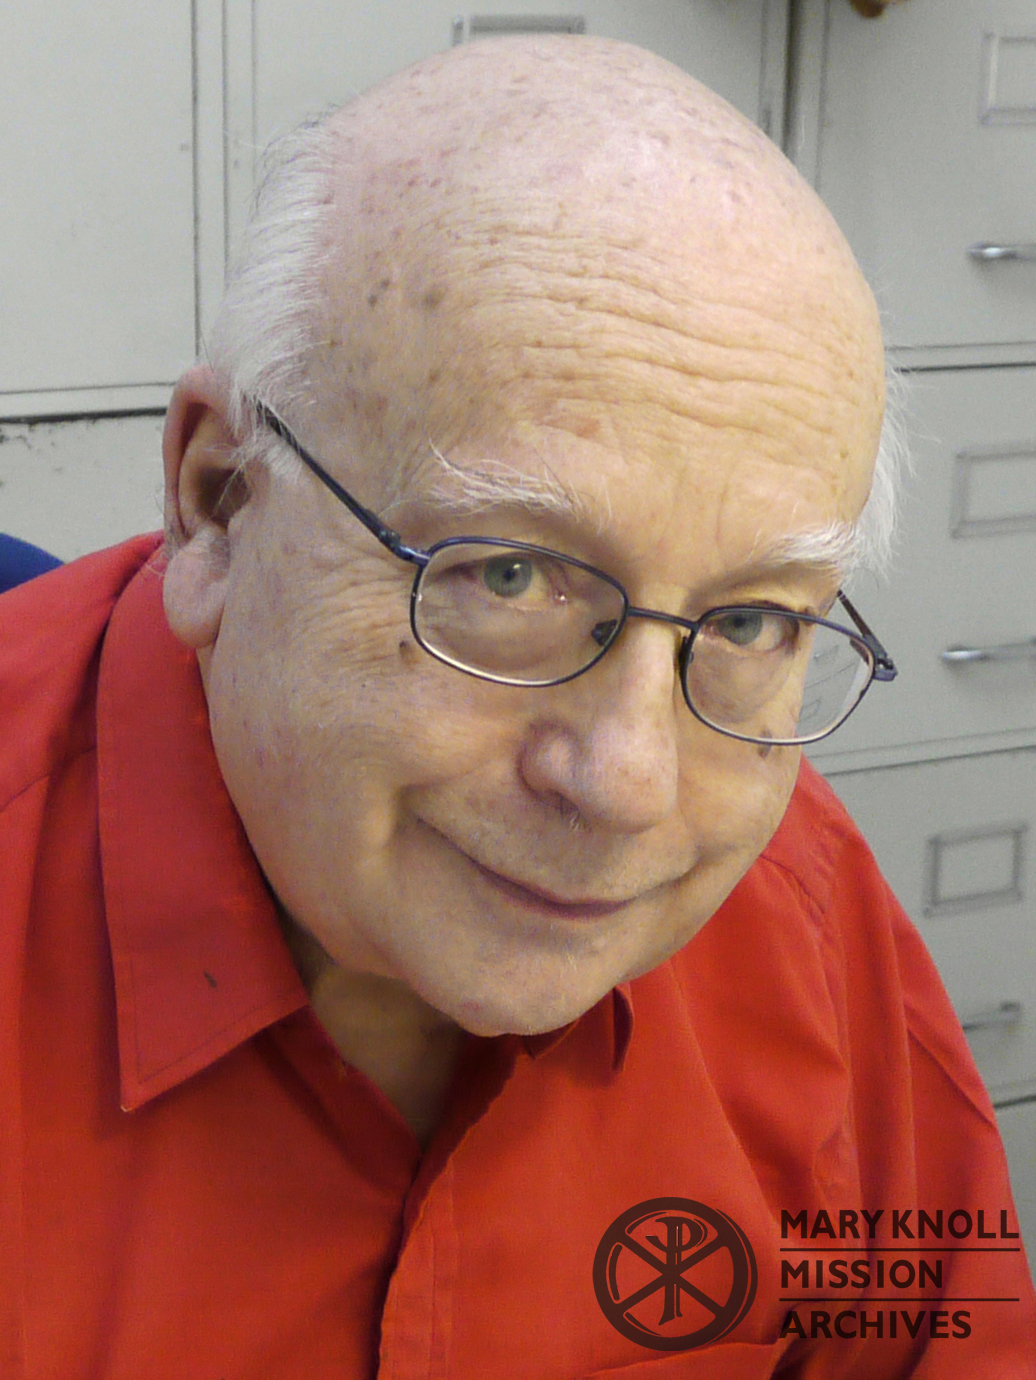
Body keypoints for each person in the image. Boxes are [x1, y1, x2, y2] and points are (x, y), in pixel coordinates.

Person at [1, 35, 1032, 1380]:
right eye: (506, 574)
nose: (631, 784)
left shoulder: (809, 921)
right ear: (219, 503)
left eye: (747, 621)